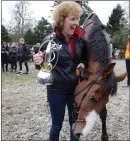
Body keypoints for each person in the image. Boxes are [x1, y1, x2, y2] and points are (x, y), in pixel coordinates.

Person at [33, 1, 87, 141]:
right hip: (56, 90)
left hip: (76, 89)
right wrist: (39, 62)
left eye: (77, 18)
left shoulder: (80, 39)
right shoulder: (50, 40)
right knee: (56, 126)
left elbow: (85, 58)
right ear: (62, 20)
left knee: (74, 124)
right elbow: (44, 63)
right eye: (72, 19)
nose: (76, 22)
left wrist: (82, 64)